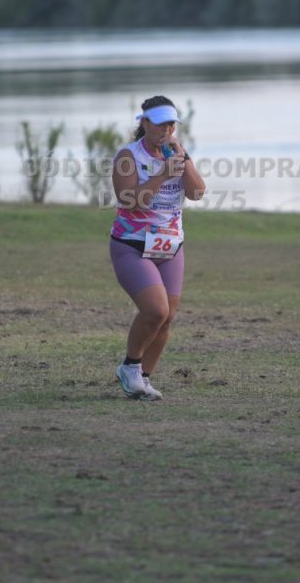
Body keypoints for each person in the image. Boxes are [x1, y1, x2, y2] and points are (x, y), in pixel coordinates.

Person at [110, 96, 206, 401]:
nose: (166, 129)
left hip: (171, 246)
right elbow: (129, 201)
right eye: (160, 123)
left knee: (166, 318)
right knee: (155, 310)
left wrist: (183, 160)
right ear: (144, 123)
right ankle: (129, 367)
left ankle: (142, 380)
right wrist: (162, 174)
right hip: (132, 245)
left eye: (171, 124)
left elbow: (197, 193)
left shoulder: (177, 154)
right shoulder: (128, 156)